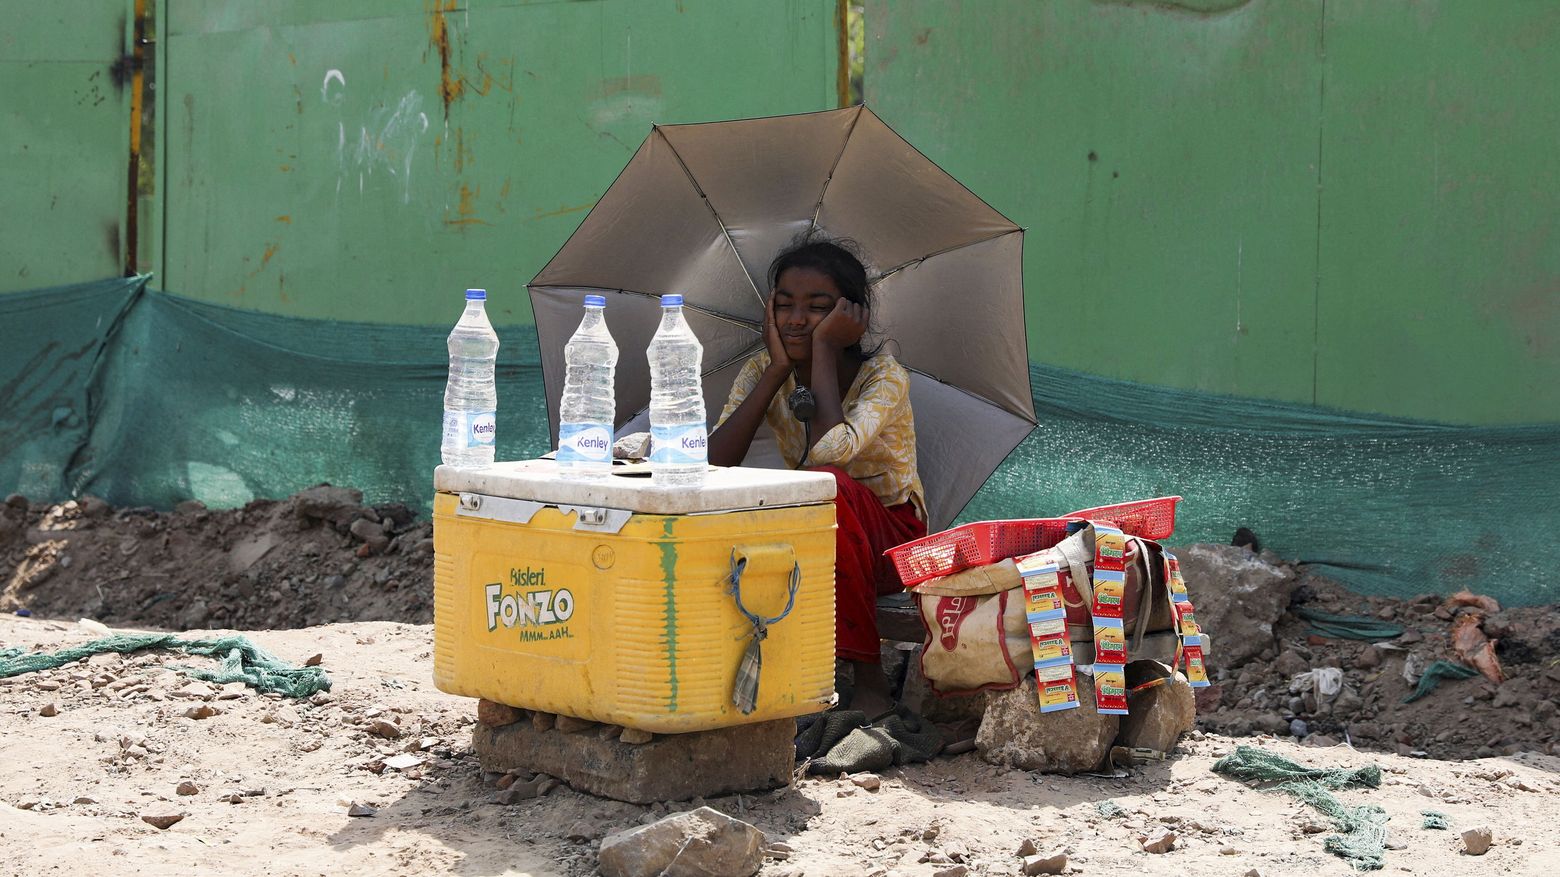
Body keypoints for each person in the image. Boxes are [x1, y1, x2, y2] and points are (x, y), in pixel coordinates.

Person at [709, 236, 925, 720]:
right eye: (784, 305)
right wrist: (776, 373)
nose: (796, 319)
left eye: (818, 307)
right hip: (817, 529)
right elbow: (714, 464)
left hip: (891, 543)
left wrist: (824, 349)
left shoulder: (883, 376)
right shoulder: (764, 369)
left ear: (853, 315)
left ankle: (867, 678)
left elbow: (832, 452)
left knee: (828, 484)